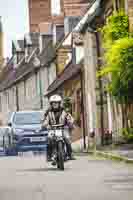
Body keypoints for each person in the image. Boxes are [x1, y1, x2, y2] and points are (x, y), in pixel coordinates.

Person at [42, 94, 75, 161]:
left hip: (63, 128)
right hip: (52, 129)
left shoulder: (64, 111)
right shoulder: (48, 112)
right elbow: (45, 120)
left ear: (59, 103)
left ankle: (70, 154)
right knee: (49, 139)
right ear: (51, 104)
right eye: (53, 103)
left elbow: (69, 118)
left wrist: (70, 123)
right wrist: (45, 125)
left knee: (67, 139)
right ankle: (49, 155)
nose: (55, 104)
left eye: (56, 103)